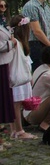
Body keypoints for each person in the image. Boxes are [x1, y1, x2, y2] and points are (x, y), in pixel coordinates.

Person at [8, 15, 36, 140]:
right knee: (16, 106)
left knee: (15, 105)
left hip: (16, 76)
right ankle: (19, 130)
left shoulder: (17, 43)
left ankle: (14, 129)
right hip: (17, 77)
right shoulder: (16, 44)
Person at [22, 0, 50, 71]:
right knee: (40, 71)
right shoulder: (31, 6)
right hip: (36, 44)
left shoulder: (46, 6)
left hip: (48, 43)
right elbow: (36, 31)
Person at [24, 45, 50, 139]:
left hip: (30, 110)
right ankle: (45, 123)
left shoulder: (41, 67)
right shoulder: (48, 75)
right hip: (33, 114)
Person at [0, 10, 17, 149]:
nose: (3, 8)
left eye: (4, 6)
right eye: (0, 6)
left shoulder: (3, 23)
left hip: (4, 63)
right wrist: (12, 44)